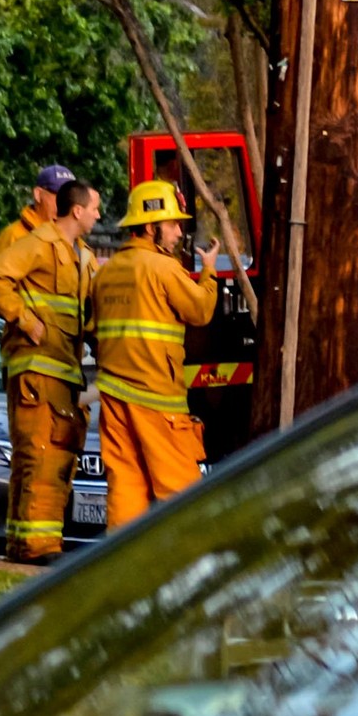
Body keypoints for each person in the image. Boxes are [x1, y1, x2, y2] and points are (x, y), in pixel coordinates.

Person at [89, 179, 223, 526]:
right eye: (173, 224)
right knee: (179, 488)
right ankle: (189, 565)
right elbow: (201, 311)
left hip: (115, 396)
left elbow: (92, 329)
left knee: (126, 484)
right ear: (150, 227)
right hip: (156, 398)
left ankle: (123, 563)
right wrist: (209, 271)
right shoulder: (163, 269)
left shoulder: (107, 273)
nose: (179, 233)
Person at [0, 169, 93, 563]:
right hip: (37, 365)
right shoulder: (31, 241)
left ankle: (23, 543)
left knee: (41, 455)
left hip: (62, 367)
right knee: (39, 454)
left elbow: (84, 313)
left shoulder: (78, 253)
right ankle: (36, 546)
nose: (97, 217)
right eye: (93, 209)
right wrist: (27, 322)